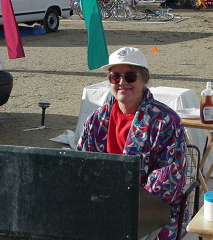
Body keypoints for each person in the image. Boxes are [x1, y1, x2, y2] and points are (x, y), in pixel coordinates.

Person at [77, 47, 188, 240]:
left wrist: (123, 207)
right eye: (115, 76)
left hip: (154, 210)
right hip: (103, 204)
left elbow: (168, 180)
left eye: (130, 76)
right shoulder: (95, 121)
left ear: (144, 79)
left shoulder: (166, 121)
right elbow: (80, 165)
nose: (122, 82)